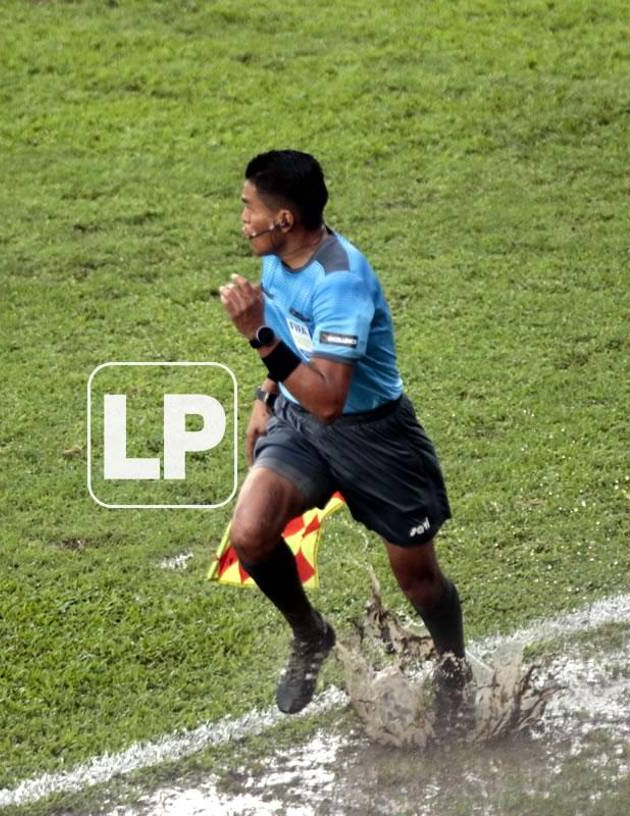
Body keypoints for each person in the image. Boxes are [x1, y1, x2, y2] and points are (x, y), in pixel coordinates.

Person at [218, 149, 470, 730]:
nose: (243, 220)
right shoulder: (278, 259)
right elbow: (293, 339)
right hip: (301, 426)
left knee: (420, 582)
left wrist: (256, 334)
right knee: (250, 535)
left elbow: (330, 398)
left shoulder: (342, 282)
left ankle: (454, 669)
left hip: (377, 440)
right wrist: (265, 395)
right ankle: (311, 633)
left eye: (248, 208)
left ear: (284, 219)